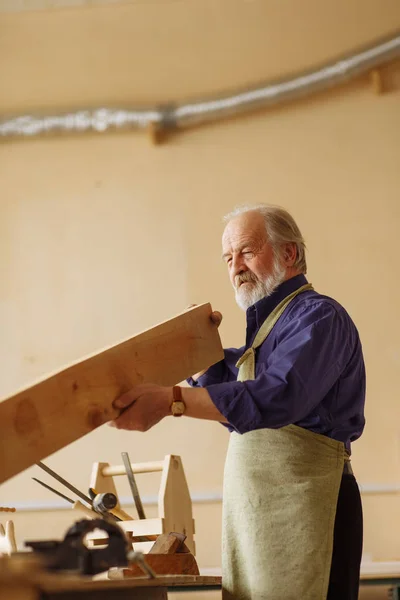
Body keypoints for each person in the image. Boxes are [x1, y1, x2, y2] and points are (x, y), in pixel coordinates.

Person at [110, 204, 365, 600]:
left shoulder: (319, 317)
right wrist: (199, 350)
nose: (235, 267)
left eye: (246, 251)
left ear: (289, 254)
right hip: (256, 517)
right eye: (228, 258)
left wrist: (171, 400)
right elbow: (237, 409)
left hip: (312, 506)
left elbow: (277, 397)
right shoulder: (261, 333)